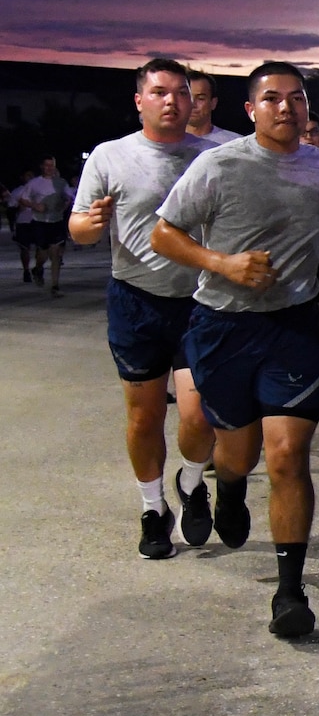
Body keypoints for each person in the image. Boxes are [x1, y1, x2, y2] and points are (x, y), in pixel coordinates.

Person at [151, 62, 319, 638]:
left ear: (308, 108)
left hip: (293, 327)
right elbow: (164, 233)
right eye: (271, 98)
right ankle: (230, 488)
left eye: (296, 98)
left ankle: (290, 593)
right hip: (223, 327)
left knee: (288, 454)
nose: (285, 108)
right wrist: (222, 264)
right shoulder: (219, 164)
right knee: (237, 454)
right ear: (250, 110)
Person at [68, 58, 220, 559]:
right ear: (140, 100)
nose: (173, 101)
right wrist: (92, 223)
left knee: (199, 416)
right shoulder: (110, 157)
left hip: (202, 302)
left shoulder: (217, 155)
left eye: (182, 93)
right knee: (144, 416)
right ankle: (153, 511)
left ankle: (193, 482)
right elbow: (80, 231)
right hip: (136, 301)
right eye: (159, 92)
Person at [15, 156, 75, 295]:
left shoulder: (61, 182)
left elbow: (70, 197)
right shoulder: (34, 183)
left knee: (56, 254)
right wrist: (35, 205)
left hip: (56, 221)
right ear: (42, 167)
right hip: (40, 222)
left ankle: (55, 285)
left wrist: (65, 204)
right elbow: (22, 199)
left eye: (52, 165)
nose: (49, 168)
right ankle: (38, 268)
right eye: (47, 165)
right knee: (43, 253)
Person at [185, 72, 241, 144]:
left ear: (213, 103)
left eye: (200, 98)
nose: (192, 104)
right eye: (187, 97)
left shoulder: (235, 143)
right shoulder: (167, 141)